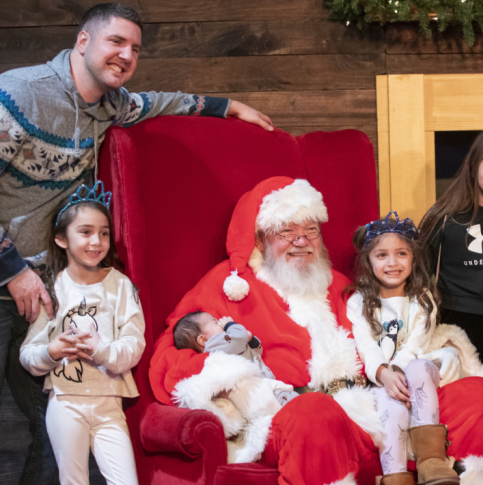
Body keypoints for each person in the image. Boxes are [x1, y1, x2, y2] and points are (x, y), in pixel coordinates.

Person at [0, 4, 272, 482]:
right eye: (115, 42)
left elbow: (161, 101)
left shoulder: (110, 104)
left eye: (135, 49)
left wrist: (229, 107)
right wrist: (12, 268)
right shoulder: (19, 93)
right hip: (12, 274)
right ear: (83, 42)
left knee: (47, 429)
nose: (126, 55)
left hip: (38, 289)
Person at [150, 176, 483, 485]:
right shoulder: (227, 284)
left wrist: (430, 355)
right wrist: (230, 374)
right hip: (292, 414)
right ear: (260, 240)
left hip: (367, 404)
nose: (302, 240)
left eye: (310, 231)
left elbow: (394, 331)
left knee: (478, 395)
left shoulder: (340, 285)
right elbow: (172, 350)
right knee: (315, 411)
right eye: (287, 231)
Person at [347, 211, 483, 485]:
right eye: (382, 255)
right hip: (382, 379)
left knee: (418, 367)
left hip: (418, 369)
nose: (392, 263)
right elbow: (366, 346)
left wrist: (396, 370)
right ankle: (395, 476)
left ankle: (431, 462)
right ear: (368, 260)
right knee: (391, 406)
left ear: (413, 258)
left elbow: (415, 346)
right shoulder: (358, 301)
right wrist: (385, 374)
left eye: (401, 254)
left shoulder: (422, 299)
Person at [19, 181, 145, 485]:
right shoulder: (51, 287)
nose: (97, 241)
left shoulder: (121, 285)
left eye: (104, 233)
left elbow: (134, 344)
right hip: (65, 402)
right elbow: (28, 355)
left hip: (110, 404)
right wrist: (52, 351)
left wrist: (100, 350)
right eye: (86, 232)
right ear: (62, 239)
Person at [419, 130, 483, 484]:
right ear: (474, 166)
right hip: (457, 333)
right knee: (463, 423)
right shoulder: (444, 217)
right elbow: (419, 277)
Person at [172, 312, 298, 436]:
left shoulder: (231, 345)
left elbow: (257, 351)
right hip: (261, 392)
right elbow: (238, 338)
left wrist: (250, 340)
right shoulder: (215, 346)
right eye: (215, 322)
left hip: (266, 389)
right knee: (297, 408)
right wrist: (229, 324)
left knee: (291, 412)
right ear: (204, 340)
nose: (220, 323)